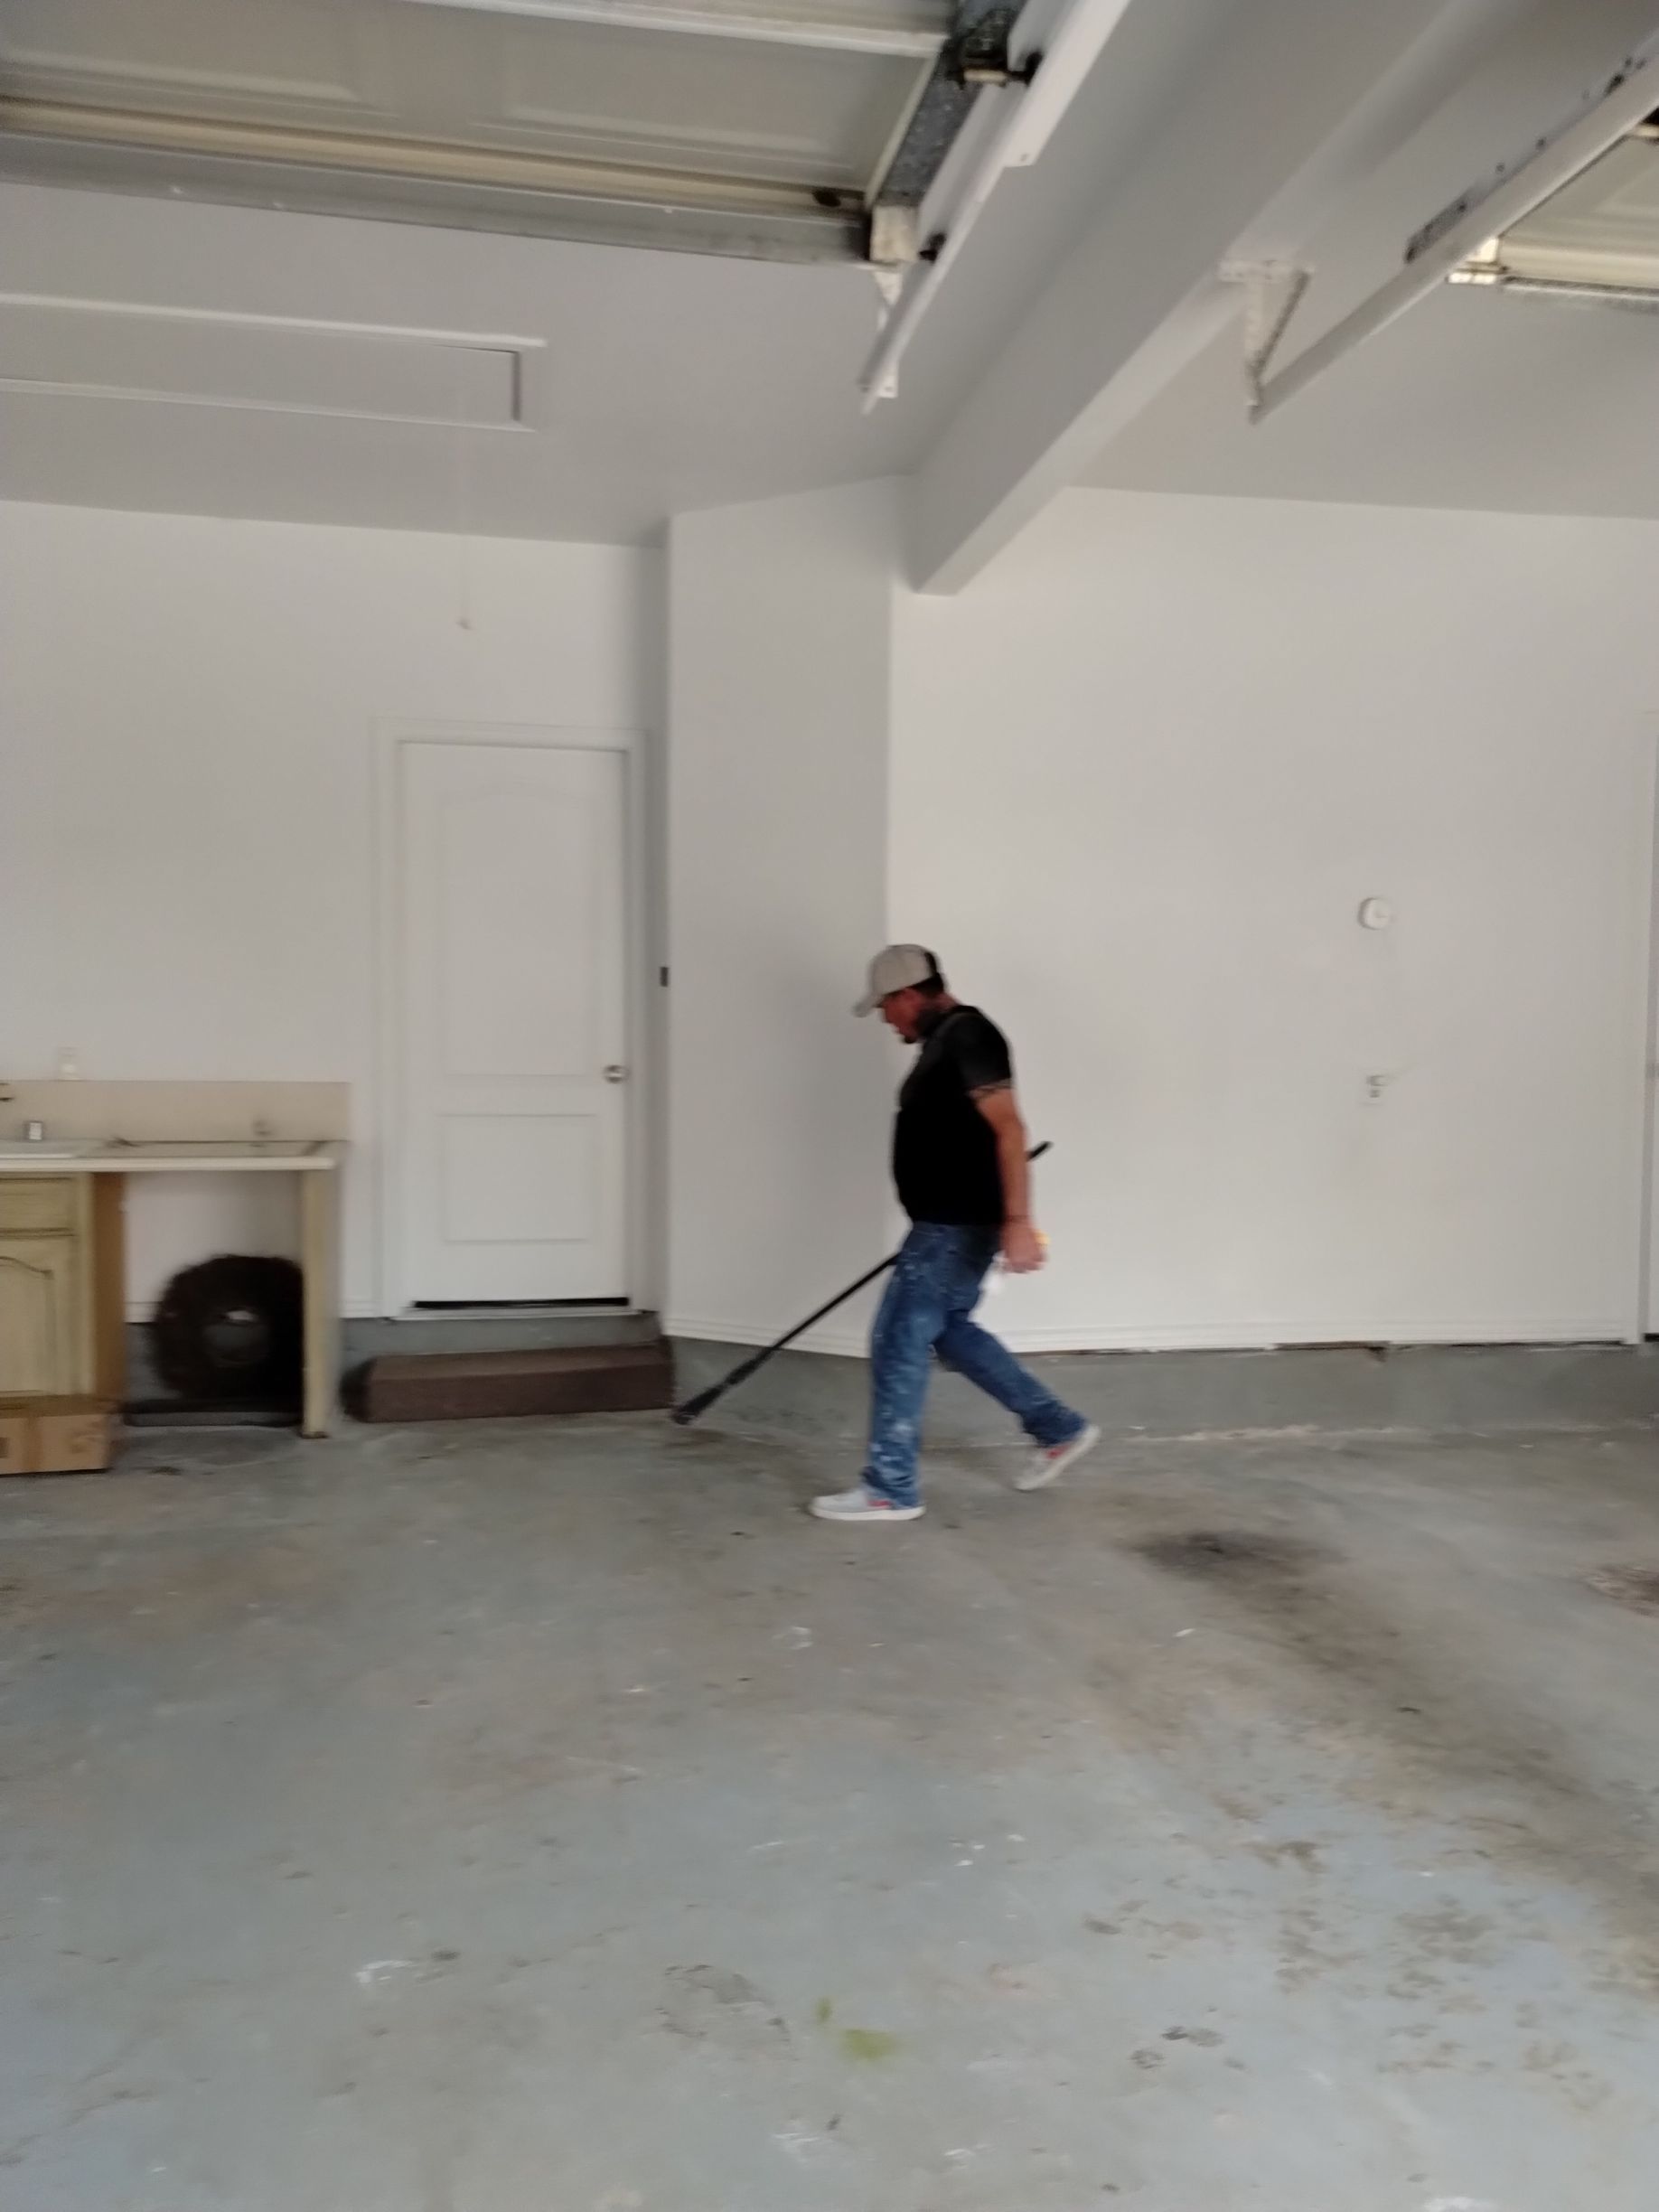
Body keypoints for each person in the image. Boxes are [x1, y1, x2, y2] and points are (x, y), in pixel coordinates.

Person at [811, 946, 1100, 1524]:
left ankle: (890, 1487)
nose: (887, 1021)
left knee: (898, 1338)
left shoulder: (968, 1036)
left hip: (955, 1225)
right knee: (949, 1333)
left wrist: (1018, 1223)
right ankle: (1057, 1427)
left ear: (908, 996)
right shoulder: (947, 1042)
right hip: (950, 1223)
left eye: (886, 1009)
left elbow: (1010, 1129)